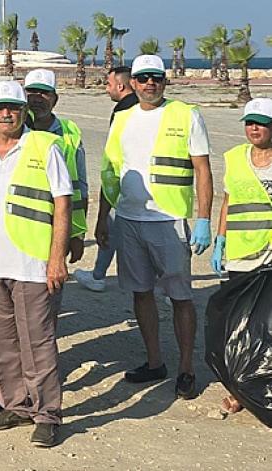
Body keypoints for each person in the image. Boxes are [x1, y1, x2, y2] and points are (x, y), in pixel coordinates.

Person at [0, 80, 71, 448]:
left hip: (32, 262)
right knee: (1, 341)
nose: (6, 113)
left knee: (37, 341)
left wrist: (56, 258)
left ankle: (47, 413)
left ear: (24, 112)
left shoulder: (44, 147)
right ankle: (15, 404)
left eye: (14, 108)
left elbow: (62, 204)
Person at [97, 55, 213, 399]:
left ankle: (187, 369)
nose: (150, 84)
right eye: (143, 78)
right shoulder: (123, 118)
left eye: (156, 78)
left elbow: (203, 170)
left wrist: (203, 218)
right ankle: (154, 362)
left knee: (180, 297)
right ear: (132, 82)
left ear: (165, 81)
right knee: (141, 292)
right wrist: (103, 216)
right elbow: (109, 171)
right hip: (130, 220)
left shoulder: (186, 114)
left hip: (169, 221)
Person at [211, 97, 272, 414]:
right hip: (241, 254)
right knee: (239, 326)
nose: (254, 128)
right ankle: (239, 391)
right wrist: (220, 238)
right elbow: (228, 202)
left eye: (261, 123)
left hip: (270, 254)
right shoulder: (235, 158)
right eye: (249, 122)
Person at [74, 66, 139, 292]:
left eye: (108, 84)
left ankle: (99, 275)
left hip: (123, 180)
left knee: (111, 227)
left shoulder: (123, 111)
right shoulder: (145, 107)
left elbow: (115, 152)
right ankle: (99, 273)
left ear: (120, 86)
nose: (106, 88)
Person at [23, 69, 88, 265]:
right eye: (32, 92)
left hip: (56, 224)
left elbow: (81, 188)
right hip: (19, 222)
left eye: (44, 93)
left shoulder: (69, 133)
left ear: (55, 99)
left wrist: (78, 234)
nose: (37, 98)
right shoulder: (13, 130)